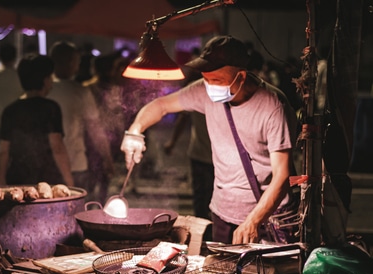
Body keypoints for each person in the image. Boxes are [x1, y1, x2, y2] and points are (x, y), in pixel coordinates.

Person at [121, 35, 298, 245]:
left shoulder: (273, 106)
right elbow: (160, 106)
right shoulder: (204, 91)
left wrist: (254, 220)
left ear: (240, 76)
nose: (210, 86)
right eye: (206, 79)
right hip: (222, 212)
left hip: (267, 217)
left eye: (217, 80)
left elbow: (282, 175)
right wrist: (135, 131)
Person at [0, 54, 74, 187]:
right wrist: (69, 181)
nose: (52, 82)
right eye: (50, 77)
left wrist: (1, 180)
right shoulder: (50, 108)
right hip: (46, 179)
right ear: (44, 80)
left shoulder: (10, 110)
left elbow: (4, 151)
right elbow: (57, 147)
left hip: (16, 178)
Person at [47, 41, 114, 194]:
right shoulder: (80, 92)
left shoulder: (44, 90)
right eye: (77, 61)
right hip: (75, 164)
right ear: (72, 62)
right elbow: (95, 129)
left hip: (48, 165)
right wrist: (108, 159)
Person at [164, 47, 214, 220]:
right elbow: (177, 116)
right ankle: (202, 236)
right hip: (200, 154)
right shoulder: (196, 90)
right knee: (201, 201)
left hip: (221, 158)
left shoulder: (225, 91)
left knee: (215, 202)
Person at [83, 53, 127, 202]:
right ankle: (90, 206)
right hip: (92, 138)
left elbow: (118, 115)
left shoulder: (112, 88)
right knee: (95, 176)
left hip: (106, 139)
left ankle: (97, 205)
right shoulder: (87, 88)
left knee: (104, 176)